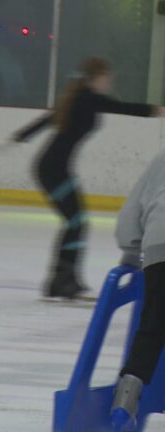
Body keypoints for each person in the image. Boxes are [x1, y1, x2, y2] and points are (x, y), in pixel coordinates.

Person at [11, 57, 165, 300]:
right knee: (75, 222)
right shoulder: (87, 98)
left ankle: (60, 280)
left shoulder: (78, 97)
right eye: (108, 77)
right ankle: (62, 280)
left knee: (75, 222)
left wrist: (21, 136)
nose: (110, 82)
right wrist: (159, 110)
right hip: (52, 169)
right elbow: (124, 108)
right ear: (97, 77)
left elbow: (48, 119)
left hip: (56, 168)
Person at [110, 150, 165, 430]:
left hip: (159, 246)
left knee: (152, 328)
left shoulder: (160, 159)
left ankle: (124, 404)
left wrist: (131, 253)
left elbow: (130, 214)